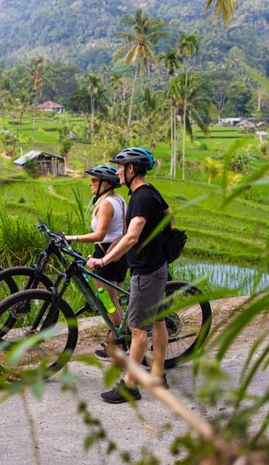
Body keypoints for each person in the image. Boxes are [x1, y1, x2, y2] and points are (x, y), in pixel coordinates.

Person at [86, 147, 171, 404]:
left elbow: (131, 236)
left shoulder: (141, 198)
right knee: (157, 320)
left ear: (131, 169)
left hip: (146, 270)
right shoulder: (150, 192)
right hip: (156, 265)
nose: (117, 173)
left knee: (136, 329)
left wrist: (104, 259)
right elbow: (169, 218)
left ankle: (130, 386)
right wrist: (159, 244)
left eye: (120, 168)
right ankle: (157, 374)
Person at [65, 165, 128, 359]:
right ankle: (119, 340)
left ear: (105, 183)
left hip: (106, 256)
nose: (90, 183)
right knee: (113, 300)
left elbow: (100, 234)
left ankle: (120, 344)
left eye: (94, 180)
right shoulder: (119, 200)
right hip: (117, 255)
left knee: (107, 301)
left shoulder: (107, 204)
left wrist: (72, 238)